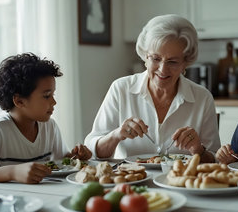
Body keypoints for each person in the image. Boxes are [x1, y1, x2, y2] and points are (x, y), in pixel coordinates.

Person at [84, 14, 220, 163]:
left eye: (173, 62)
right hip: (128, 183)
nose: (163, 69)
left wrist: (198, 150)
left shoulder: (202, 98)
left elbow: (215, 160)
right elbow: (92, 151)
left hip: (180, 184)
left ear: (185, 63)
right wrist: (117, 135)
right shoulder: (121, 89)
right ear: (145, 57)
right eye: (156, 59)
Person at [0, 53, 92, 187]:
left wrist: (78, 157)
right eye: (46, 96)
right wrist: (12, 172)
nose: (54, 102)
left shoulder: (50, 126)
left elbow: (63, 161)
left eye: (53, 94)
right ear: (19, 101)